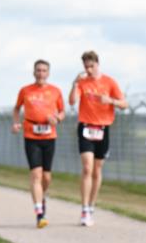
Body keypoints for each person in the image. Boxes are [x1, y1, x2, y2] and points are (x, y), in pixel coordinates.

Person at [68, 50, 127, 226]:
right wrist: (74, 84)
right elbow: (72, 101)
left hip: (103, 128)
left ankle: (92, 205)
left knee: (97, 170)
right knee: (87, 167)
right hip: (86, 127)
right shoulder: (82, 82)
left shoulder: (109, 82)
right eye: (86, 67)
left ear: (97, 64)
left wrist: (110, 101)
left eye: (91, 66)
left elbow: (124, 104)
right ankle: (84, 208)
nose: (89, 70)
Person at [13, 60, 65, 228]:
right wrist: (16, 122)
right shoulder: (25, 90)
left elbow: (63, 111)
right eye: (38, 70)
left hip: (49, 136)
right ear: (34, 72)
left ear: (48, 73)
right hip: (31, 135)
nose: (41, 73)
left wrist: (57, 118)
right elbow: (16, 108)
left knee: (46, 177)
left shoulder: (55, 91)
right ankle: (39, 213)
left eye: (44, 71)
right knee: (36, 175)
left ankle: (41, 197)